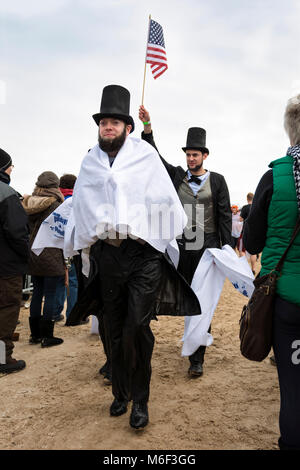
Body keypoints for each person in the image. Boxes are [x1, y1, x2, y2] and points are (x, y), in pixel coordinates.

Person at [66, 85, 201, 430]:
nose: (108, 127)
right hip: (108, 255)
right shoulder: (90, 161)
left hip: (143, 257)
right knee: (112, 327)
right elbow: (81, 203)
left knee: (137, 328)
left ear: (128, 127)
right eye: (103, 122)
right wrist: (81, 244)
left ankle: (140, 400)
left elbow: (164, 199)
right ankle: (121, 393)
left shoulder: (144, 157)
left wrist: (148, 225)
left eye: (114, 122)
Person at [139, 105, 232, 377]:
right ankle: (192, 339)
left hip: (208, 248)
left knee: (202, 301)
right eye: (188, 154)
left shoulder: (218, 181)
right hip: (182, 250)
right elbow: (155, 159)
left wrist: (225, 249)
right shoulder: (178, 175)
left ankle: (197, 357)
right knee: (184, 297)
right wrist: (148, 127)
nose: (191, 159)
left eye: (195, 154)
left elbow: (224, 215)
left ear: (205, 155)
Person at [243, 94, 300, 451]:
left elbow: (252, 241)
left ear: (290, 133)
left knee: (293, 390)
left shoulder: (275, 175)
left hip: (288, 300)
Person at [22, 171, 65, 348]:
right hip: (52, 253)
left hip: (33, 253)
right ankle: (47, 336)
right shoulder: (55, 205)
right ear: (54, 186)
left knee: (36, 294)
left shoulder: (27, 202)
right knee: (50, 294)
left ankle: (35, 335)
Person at [0, 148, 29, 374]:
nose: (12, 170)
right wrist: (26, 256)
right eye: (11, 166)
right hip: (5, 268)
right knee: (7, 310)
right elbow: (17, 233)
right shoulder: (7, 194)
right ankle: (2, 358)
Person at [54, 174, 79, 323]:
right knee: (73, 280)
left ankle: (55, 313)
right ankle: (73, 314)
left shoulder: (56, 201)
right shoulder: (74, 202)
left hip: (56, 246)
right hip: (72, 246)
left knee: (59, 279)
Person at [240, 192, 257, 274]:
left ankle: (245, 269)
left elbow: (240, 219)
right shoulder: (256, 207)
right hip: (254, 232)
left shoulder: (244, 207)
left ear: (247, 199)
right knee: (253, 251)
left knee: (242, 251)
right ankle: (253, 269)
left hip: (245, 232)